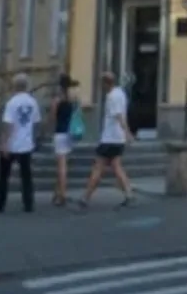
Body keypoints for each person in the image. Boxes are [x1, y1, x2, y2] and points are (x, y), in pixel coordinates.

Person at [77, 71, 134, 209]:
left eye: (102, 84)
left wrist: (127, 132)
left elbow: (118, 116)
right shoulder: (121, 93)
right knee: (117, 166)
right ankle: (128, 194)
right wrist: (125, 134)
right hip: (118, 139)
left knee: (98, 168)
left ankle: (86, 197)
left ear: (106, 83)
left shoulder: (112, 96)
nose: (101, 87)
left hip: (110, 138)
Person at [0, 73, 40, 213]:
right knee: (26, 176)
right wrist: (34, 139)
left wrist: (4, 143)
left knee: (4, 175)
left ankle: (0, 203)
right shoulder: (33, 102)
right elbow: (36, 122)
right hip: (26, 144)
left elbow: (8, 125)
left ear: (15, 86)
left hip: (12, 144)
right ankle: (28, 203)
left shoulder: (12, 103)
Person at [51, 73, 79, 207]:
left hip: (60, 133)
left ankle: (62, 194)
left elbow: (53, 117)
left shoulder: (57, 100)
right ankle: (57, 192)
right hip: (69, 133)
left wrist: (47, 128)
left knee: (61, 166)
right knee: (63, 163)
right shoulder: (72, 99)